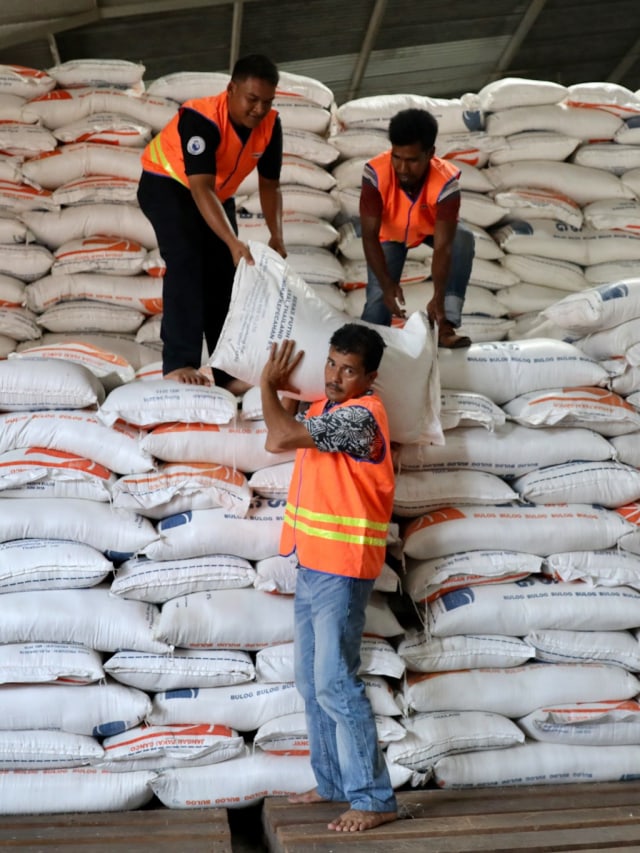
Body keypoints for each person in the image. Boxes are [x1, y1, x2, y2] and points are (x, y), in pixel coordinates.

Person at [260, 323, 398, 833]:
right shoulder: (326, 408)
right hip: (313, 563)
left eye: (349, 370)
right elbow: (292, 411)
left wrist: (267, 385)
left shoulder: (362, 419)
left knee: (337, 684)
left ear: (371, 377)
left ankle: (373, 798)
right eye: (331, 364)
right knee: (311, 684)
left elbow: (279, 436)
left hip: (342, 570)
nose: (336, 377)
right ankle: (334, 784)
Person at [137, 54, 286, 389]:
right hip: (167, 184)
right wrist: (233, 241)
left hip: (213, 191)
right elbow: (199, 187)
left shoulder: (270, 125)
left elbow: (270, 184)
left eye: (267, 102)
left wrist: (277, 235)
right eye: (252, 99)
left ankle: (226, 369)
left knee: (225, 274)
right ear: (231, 89)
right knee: (187, 259)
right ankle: (180, 362)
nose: (259, 110)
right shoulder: (200, 118)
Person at [359, 107, 475, 348]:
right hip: (388, 234)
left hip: (429, 229)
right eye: (397, 158)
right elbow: (369, 236)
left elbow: (443, 247)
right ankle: (369, 346)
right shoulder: (375, 174)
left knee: (462, 238)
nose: (402, 169)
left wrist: (438, 298)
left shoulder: (446, 183)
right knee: (378, 300)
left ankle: (445, 325)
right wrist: (387, 283)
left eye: (412, 161)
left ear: (430, 154)